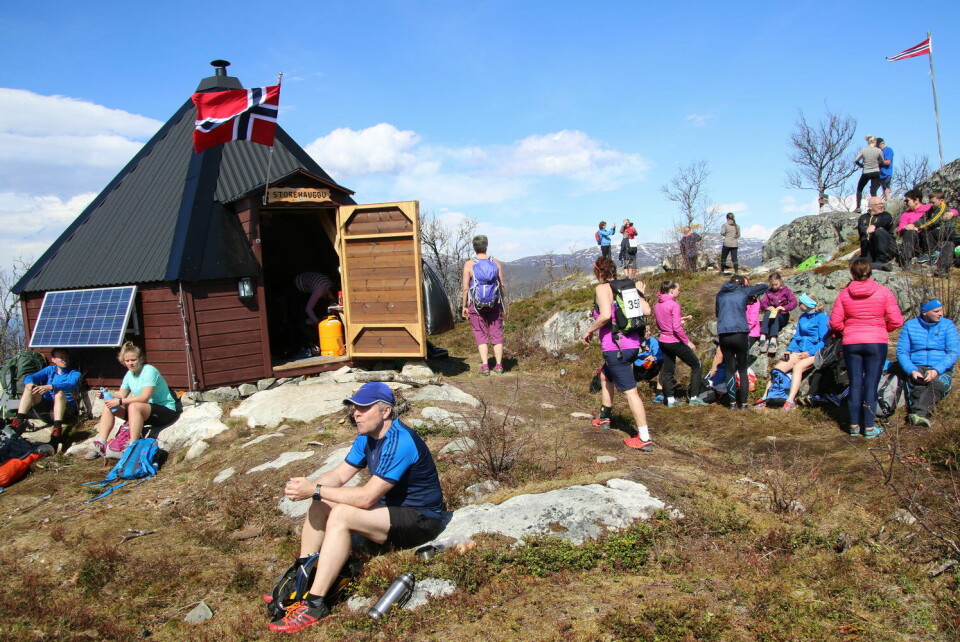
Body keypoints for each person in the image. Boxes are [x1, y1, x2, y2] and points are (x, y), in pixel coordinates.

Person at [269, 382, 445, 633]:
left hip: (420, 518)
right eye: (354, 408)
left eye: (364, 407)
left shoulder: (400, 441)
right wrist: (308, 488)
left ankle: (315, 603)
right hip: (388, 511)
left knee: (340, 513)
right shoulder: (367, 438)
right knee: (320, 498)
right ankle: (301, 575)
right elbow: (340, 475)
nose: (356, 413)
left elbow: (365, 498)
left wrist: (315, 489)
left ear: (385, 412)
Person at [582, 257, 655, 451]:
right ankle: (605, 418)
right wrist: (640, 293)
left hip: (616, 348)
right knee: (606, 375)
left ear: (598, 272)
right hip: (631, 345)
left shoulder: (602, 288)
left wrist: (589, 330)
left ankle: (644, 437)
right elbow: (646, 309)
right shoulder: (626, 286)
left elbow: (605, 315)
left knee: (631, 392)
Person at [830, 258, 904, 437]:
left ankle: (854, 426)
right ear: (870, 271)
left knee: (855, 384)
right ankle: (869, 428)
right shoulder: (883, 292)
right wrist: (881, 330)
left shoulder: (844, 294)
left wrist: (848, 330)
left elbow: (834, 322)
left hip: (851, 343)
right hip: (876, 343)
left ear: (852, 273)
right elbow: (897, 320)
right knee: (871, 384)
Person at [85, 342, 181, 460]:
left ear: (141, 359)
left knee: (134, 406)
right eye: (127, 361)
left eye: (133, 360)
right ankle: (101, 443)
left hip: (164, 411)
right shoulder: (129, 374)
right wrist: (107, 395)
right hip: (143, 412)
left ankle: (132, 446)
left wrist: (120, 402)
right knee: (109, 404)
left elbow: (144, 398)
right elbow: (121, 394)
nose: (130, 363)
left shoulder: (149, 371)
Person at [896, 299, 959, 427]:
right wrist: (912, 370)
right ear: (925, 312)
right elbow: (902, 352)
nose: (941, 313)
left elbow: (954, 352)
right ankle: (920, 418)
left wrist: (936, 370)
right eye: (936, 311)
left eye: (941, 310)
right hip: (916, 366)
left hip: (941, 367)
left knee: (936, 385)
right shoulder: (910, 326)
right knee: (917, 387)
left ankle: (918, 415)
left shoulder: (948, 325)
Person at [715, 274, 770, 409]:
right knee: (742, 369)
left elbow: (718, 313)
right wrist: (748, 289)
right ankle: (744, 404)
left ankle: (732, 403)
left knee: (729, 368)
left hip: (724, 334)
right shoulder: (743, 291)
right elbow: (764, 287)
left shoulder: (720, 294)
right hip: (740, 333)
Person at [11, 347, 81, 450]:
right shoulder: (50, 370)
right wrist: (30, 383)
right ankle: (20, 422)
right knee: (29, 388)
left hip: (65, 412)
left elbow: (71, 385)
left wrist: (51, 386)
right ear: (53, 359)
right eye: (61, 357)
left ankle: (57, 431)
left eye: (66, 357)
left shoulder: (74, 373)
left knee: (59, 393)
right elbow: (30, 377)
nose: (64, 359)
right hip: (47, 409)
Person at [654, 280, 706, 406]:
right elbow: (677, 328)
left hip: (663, 340)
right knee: (696, 365)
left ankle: (670, 400)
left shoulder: (657, 305)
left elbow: (660, 324)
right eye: (678, 289)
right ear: (671, 290)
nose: (680, 291)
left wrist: (677, 321)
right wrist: (687, 342)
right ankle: (694, 397)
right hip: (674, 341)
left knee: (668, 369)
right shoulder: (674, 305)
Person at [775, 294, 830, 411]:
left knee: (798, 367)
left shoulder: (822, 318)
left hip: (816, 352)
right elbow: (797, 337)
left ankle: (790, 401)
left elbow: (823, 340)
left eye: (801, 303)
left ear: (808, 304)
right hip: (799, 350)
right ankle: (769, 397)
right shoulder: (803, 317)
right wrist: (789, 351)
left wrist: (810, 352)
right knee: (778, 368)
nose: (798, 305)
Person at [460, 235, 506, 375]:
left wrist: (464, 306)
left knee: (480, 334)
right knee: (496, 334)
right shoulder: (495, 262)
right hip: (494, 304)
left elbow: (465, 287)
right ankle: (498, 366)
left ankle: (485, 366)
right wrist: (502, 303)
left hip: (476, 305)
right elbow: (502, 285)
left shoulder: (469, 264)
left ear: (474, 247)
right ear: (486, 246)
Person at [919, 190, 959, 278]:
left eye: (933, 202)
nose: (931, 204)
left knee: (929, 233)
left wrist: (919, 227)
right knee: (947, 243)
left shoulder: (942, 208)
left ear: (941, 200)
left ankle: (933, 254)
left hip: (947, 230)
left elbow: (934, 221)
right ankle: (941, 268)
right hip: (940, 232)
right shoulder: (932, 209)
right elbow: (923, 218)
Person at [758, 272, 797, 355]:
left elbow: (794, 302)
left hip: (782, 316)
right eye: (772, 285)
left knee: (774, 314)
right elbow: (763, 303)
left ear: (780, 281)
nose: (774, 287)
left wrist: (784, 308)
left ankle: (773, 339)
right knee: (769, 312)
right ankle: (763, 337)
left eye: (776, 284)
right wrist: (767, 307)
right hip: (771, 316)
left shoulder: (786, 291)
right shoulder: (769, 292)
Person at [857, 196, 896, 268]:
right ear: (870, 207)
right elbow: (862, 231)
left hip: (887, 248)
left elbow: (884, 222)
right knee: (856, 264)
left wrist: (874, 226)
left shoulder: (886, 215)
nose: (881, 206)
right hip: (869, 248)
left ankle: (882, 260)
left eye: (882, 204)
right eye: (878, 204)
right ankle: (881, 266)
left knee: (879, 231)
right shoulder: (863, 218)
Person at [898, 189, 931, 265]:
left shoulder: (928, 208)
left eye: (907, 200)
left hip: (927, 239)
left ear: (916, 200)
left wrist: (951, 213)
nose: (905, 202)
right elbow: (900, 228)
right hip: (913, 240)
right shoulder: (906, 214)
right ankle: (906, 259)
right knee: (910, 232)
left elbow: (949, 210)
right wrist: (905, 227)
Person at [854, 135, 885, 212]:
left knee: (860, 189)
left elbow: (856, 160)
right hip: (875, 172)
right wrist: (876, 163)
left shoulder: (863, 150)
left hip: (866, 172)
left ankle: (858, 207)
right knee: (873, 191)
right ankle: (875, 207)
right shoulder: (878, 150)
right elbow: (882, 161)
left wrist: (861, 165)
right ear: (874, 142)